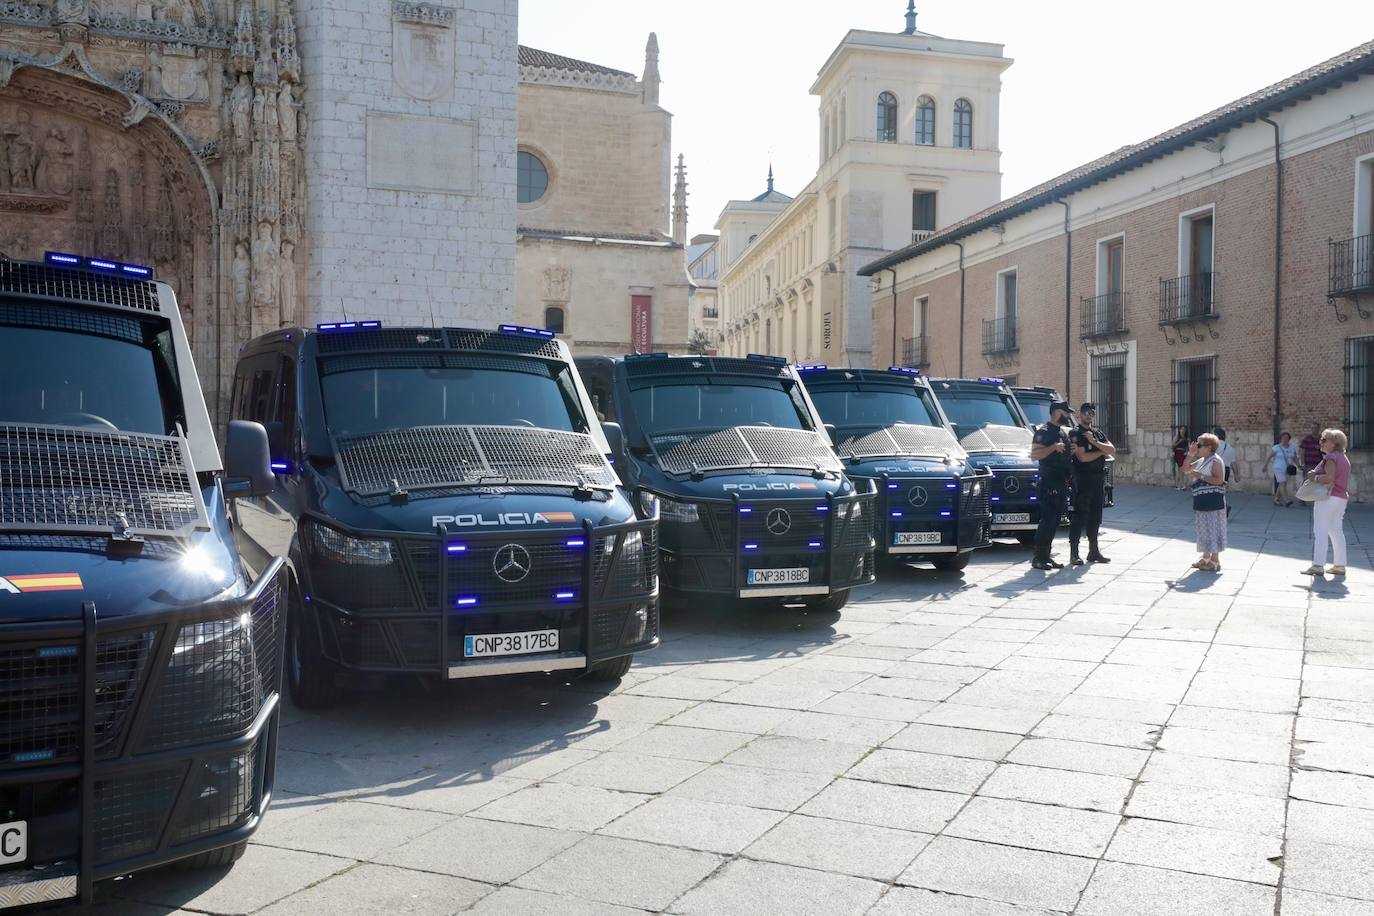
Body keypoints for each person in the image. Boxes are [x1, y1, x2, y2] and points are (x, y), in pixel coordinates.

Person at [1028, 400, 1074, 571]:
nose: (1069, 415)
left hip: (1061, 482)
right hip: (1049, 482)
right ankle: (1038, 558)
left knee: (1055, 521)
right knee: (1047, 521)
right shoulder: (1044, 432)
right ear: (1056, 412)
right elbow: (1034, 454)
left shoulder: (1061, 432)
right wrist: (1053, 447)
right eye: (1066, 412)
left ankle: (1046, 556)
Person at [1068, 402, 1116, 565]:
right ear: (1080, 414)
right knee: (1080, 516)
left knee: (1096, 516)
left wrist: (1095, 443)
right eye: (1086, 412)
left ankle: (1093, 551)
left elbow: (1112, 449)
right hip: (1083, 479)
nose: (1089, 415)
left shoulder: (1097, 433)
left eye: (1092, 413)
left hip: (1098, 479)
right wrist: (1102, 451)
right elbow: (1083, 458)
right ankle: (1074, 553)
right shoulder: (1075, 433)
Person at [1302, 428, 1351, 577]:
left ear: (1334, 443)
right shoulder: (1344, 458)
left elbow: (1329, 478)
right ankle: (1340, 565)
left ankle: (1318, 565)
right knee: (1336, 531)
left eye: (1324, 440)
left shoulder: (1331, 458)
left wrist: (1314, 478)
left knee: (1320, 530)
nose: (1320, 442)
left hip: (1328, 497)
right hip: (1341, 498)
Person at [1186, 432, 1227, 572]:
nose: (1197, 447)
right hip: (1203, 500)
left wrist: (1200, 476)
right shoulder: (1202, 460)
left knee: (1213, 528)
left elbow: (1219, 480)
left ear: (1209, 447)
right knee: (1203, 528)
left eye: (1199, 445)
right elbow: (1186, 470)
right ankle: (1205, 557)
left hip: (1213, 501)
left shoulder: (1215, 460)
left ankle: (1214, 561)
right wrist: (1190, 454)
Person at [1271, 432, 1298, 507]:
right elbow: (1270, 456)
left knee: (1282, 484)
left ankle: (1276, 499)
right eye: (1283, 438)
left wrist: (1298, 465)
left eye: (1287, 438)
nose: (1285, 439)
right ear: (1281, 438)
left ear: (1289, 439)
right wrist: (1265, 466)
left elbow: (1295, 457)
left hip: (1287, 469)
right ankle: (1286, 500)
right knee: (1282, 483)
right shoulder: (1276, 447)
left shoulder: (1292, 447)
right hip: (1278, 468)